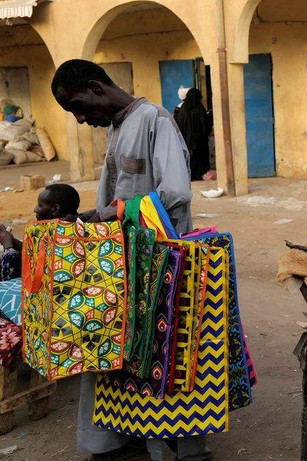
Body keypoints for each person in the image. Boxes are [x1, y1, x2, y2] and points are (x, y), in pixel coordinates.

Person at [51, 59, 205, 461]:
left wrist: (108, 213)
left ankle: (176, 450)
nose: (82, 119)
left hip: (164, 265)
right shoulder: (118, 127)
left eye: (80, 107)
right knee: (120, 354)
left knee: (164, 357)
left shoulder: (155, 120)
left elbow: (175, 195)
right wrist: (90, 219)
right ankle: (122, 439)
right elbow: (117, 197)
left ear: (96, 87)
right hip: (124, 263)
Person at [0, 183, 81, 281]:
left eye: (40, 205)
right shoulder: (73, 226)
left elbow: (14, 268)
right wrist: (11, 240)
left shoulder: (64, 236)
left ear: (55, 209)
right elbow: (34, 251)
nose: (35, 209)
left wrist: (8, 246)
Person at [174, 88, 212, 181]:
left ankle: (189, 176)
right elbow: (204, 126)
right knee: (199, 158)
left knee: (188, 159)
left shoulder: (182, 109)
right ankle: (199, 175)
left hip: (185, 142)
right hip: (199, 142)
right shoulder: (199, 108)